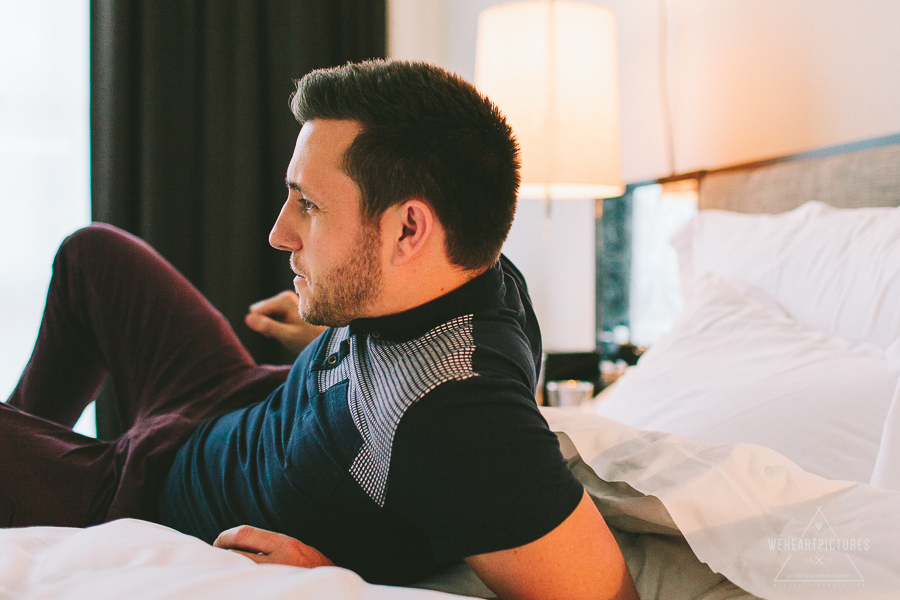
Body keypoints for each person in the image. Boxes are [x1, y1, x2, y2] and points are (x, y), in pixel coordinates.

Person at [1, 60, 638, 600]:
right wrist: (320, 328)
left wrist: (337, 583)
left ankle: (45, 486)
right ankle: (38, 459)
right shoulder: (481, 269)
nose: (280, 232)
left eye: (309, 204)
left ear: (408, 230)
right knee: (93, 254)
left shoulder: (460, 424)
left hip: (145, 492)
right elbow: (387, 390)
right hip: (236, 399)